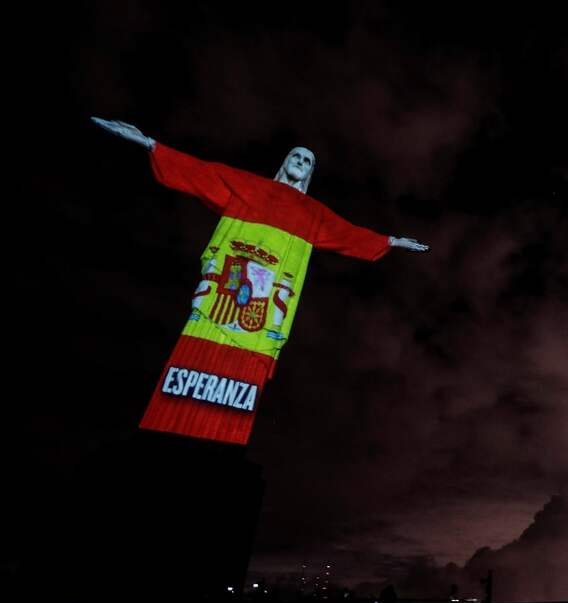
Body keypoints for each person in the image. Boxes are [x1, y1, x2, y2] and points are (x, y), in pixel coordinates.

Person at [92, 117, 428, 445]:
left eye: (308, 160)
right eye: (296, 155)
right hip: (220, 302)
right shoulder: (248, 186)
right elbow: (202, 172)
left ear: (311, 172)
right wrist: (150, 144)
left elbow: (347, 233)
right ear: (285, 162)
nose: (300, 161)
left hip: (261, 319)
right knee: (187, 381)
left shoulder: (313, 214)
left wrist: (389, 241)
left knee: (233, 401)